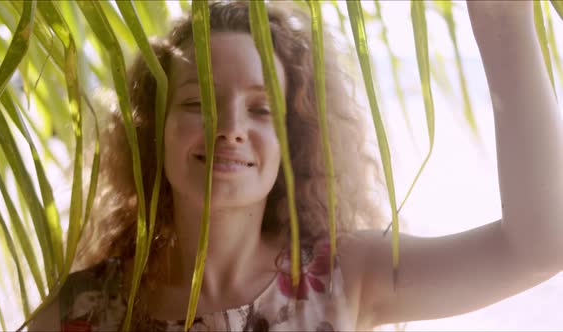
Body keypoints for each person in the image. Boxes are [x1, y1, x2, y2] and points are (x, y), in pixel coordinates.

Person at [29, 1, 562, 331]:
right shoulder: (82, 310)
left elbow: (538, 249)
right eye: (198, 103)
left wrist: (502, 20)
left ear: (295, 139)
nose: (230, 127)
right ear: (152, 130)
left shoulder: (345, 276)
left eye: (261, 109)